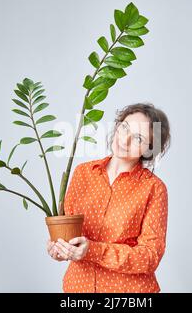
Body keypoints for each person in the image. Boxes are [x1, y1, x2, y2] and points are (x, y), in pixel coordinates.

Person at [46, 102, 171, 292]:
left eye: (138, 138)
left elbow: (150, 256)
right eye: (124, 128)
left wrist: (93, 250)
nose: (125, 140)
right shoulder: (83, 173)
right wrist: (60, 249)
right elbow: (69, 232)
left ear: (149, 149)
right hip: (78, 288)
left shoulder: (154, 188)